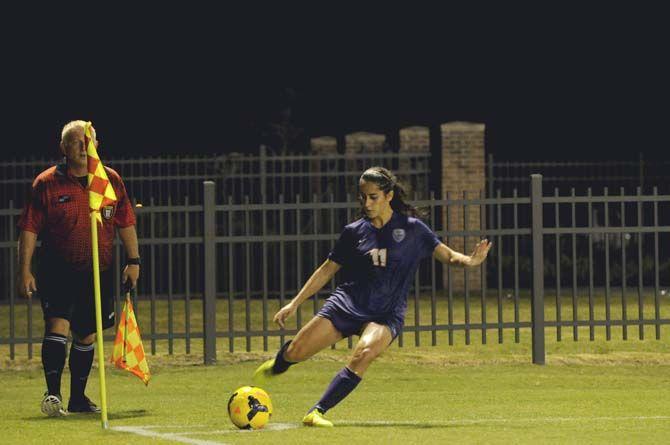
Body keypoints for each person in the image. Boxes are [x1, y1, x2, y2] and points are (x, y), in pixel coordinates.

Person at [253, 166, 492, 427]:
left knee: (364, 353)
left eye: (373, 196)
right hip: (346, 305)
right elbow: (326, 270)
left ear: (389, 196)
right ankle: (280, 363)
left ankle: (317, 412)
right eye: (363, 196)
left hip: (385, 313)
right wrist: (294, 303)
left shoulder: (414, 230)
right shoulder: (354, 231)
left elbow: (447, 255)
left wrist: (470, 261)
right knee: (297, 351)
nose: (367, 203)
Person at [16, 120, 140, 417]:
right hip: (58, 269)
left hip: (97, 270)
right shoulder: (46, 183)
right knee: (57, 326)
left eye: (89, 141)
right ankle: (53, 396)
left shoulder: (109, 180)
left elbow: (125, 221)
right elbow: (29, 229)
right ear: (63, 148)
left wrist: (133, 261)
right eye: (76, 142)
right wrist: (25, 270)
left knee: (86, 334)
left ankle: (78, 399)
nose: (84, 147)